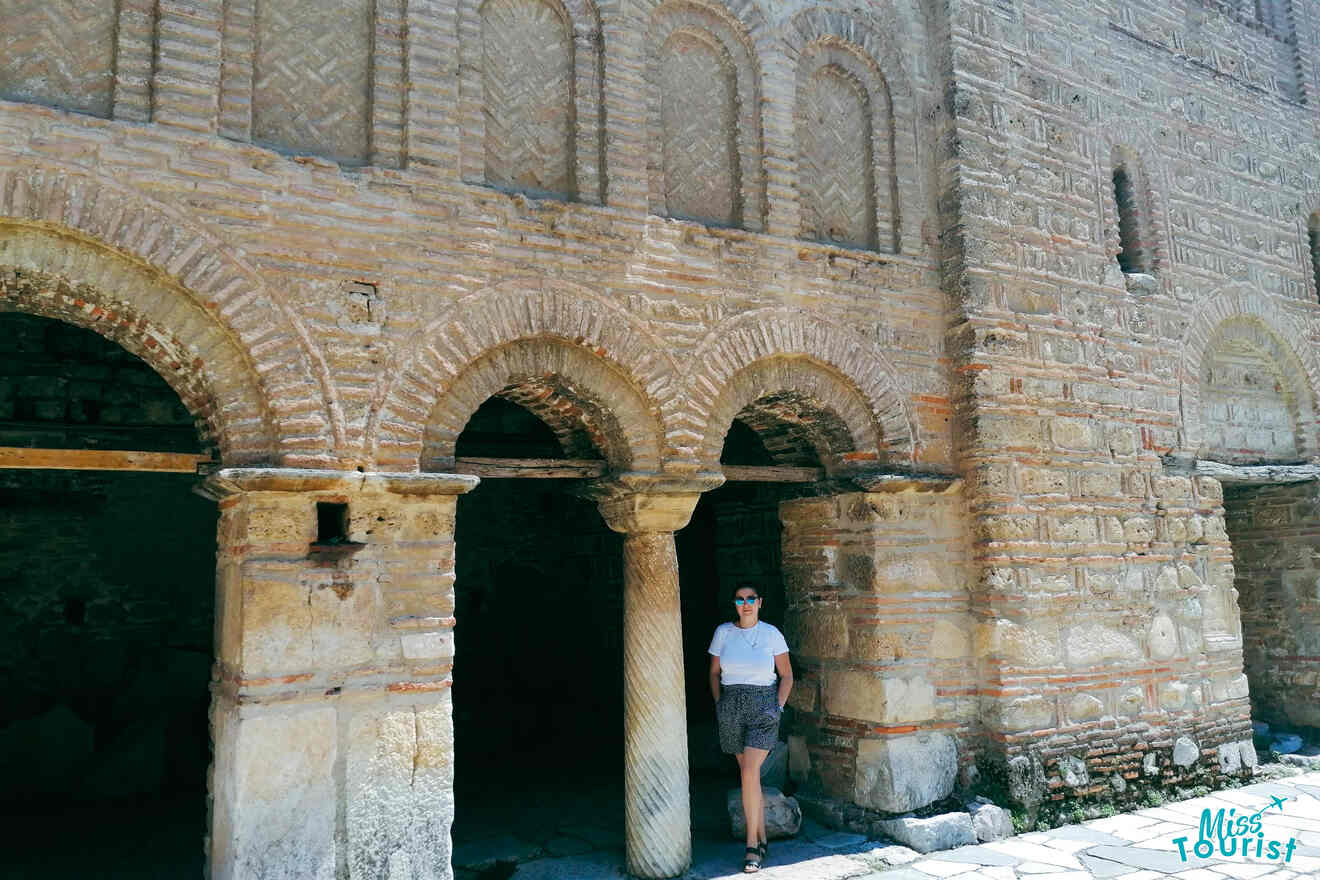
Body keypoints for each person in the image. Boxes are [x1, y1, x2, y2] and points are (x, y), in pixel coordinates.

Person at [708, 583, 793, 873]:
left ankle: (751, 847)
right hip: (731, 705)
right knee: (750, 777)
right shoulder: (723, 633)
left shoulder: (771, 634)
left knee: (748, 771)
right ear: (735, 604)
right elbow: (714, 673)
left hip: (763, 706)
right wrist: (720, 704)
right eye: (740, 599)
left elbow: (787, 676)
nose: (745, 603)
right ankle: (762, 835)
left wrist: (777, 708)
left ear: (760, 602)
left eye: (751, 598)